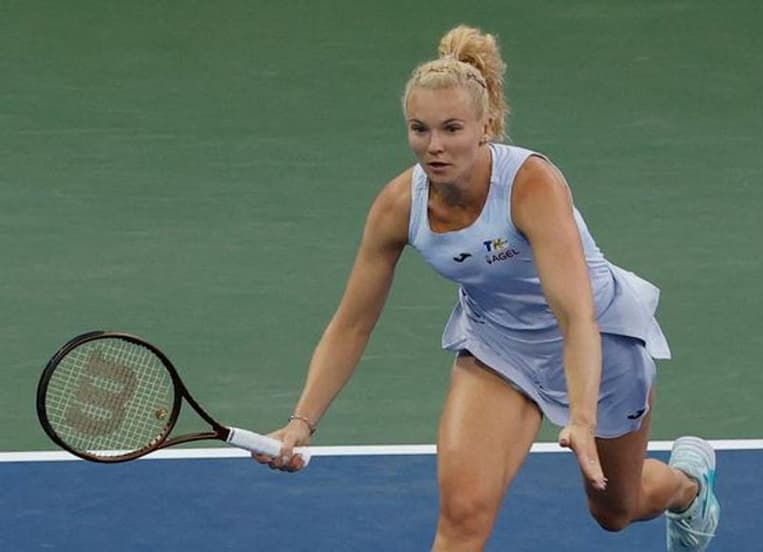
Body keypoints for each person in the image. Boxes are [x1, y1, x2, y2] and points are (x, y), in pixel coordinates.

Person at [253, 24, 720, 552]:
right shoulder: (398, 205)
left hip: (600, 344)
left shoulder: (531, 185)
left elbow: (575, 317)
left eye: (451, 128)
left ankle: (687, 487)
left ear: (486, 126)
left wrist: (581, 417)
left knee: (616, 511)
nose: (434, 146)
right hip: (499, 348)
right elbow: (352, 323)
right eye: (420, 129)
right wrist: (301, 423)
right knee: (462, 516)